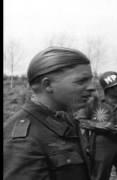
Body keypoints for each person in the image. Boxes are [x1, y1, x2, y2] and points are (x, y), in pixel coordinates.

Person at [3, 47, 95, 180]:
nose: (92, 87)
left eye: (90, 80)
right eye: (81, 81)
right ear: (48, 85)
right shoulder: (23, 140)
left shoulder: (65, 119)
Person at [75, 71, 117, 180]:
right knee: (99, 176)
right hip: (101, 145)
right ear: (108, 88)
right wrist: (98, 125)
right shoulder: (93, 102)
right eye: (116, 86)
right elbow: (80, 121)